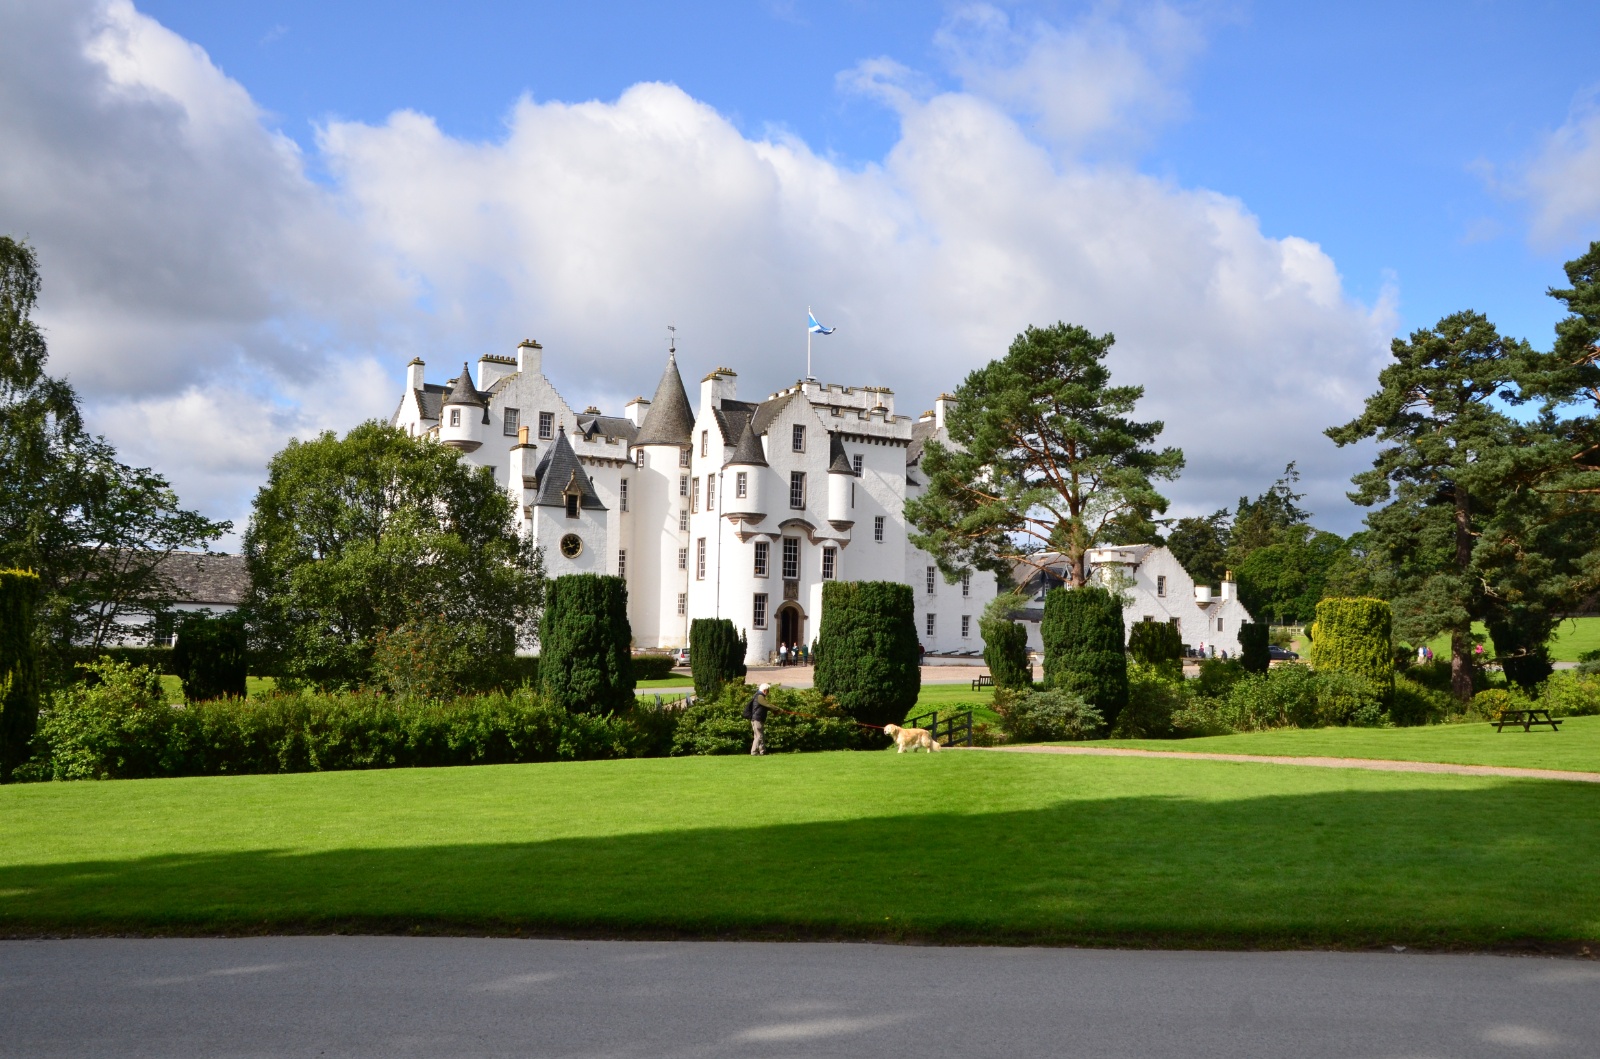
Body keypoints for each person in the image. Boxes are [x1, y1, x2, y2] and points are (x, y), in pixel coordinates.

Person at [744, 683, 771, 755]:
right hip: (757, 719)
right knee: (759, 736)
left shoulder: (757, 695)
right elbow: (767, 705)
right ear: (765, 690)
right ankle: (754, 752)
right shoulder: (760, 696)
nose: (768, 692)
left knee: (759, 735)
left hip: (756, 718)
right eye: (768, 690)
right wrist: (778, 709)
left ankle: (762, 751)